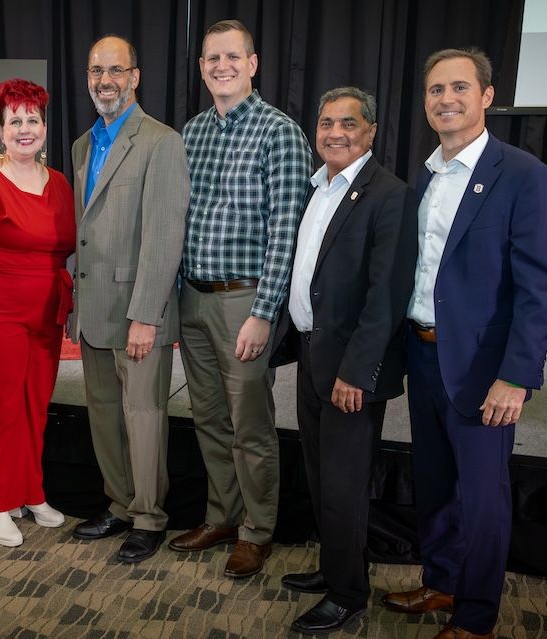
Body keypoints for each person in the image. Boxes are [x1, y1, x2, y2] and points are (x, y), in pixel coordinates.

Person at [381, 48, 547, 639]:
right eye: (435, 90)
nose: (446, 99)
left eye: (459, 87)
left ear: (487, 96)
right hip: (424, 352)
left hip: (485, 370)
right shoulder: (429, 175)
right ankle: (442, 582)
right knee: (434, 483)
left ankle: (478, 617)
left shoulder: (525, 177)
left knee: (483, 501)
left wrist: (517, 376)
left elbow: (539, 290)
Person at [270, 87, 416, 634]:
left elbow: (386, 297)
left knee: (344, 483)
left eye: (347, 123)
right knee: (319, 473)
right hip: (312, 357)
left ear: (370, 132)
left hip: (350, 370)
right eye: (326, 121)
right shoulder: (321, 188)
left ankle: (348, 594)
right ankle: (337, 569)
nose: (334, 132)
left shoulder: (389, 195)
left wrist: (357, 372)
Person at [170, 19, 312, 579]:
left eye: (232, 57)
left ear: (253, 64)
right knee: (207, 417)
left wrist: (263, 313)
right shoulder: (193, 131)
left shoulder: (280, 132)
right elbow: (181, 219)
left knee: (249, 424)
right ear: (201, 67)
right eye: (211, 58)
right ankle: (221, 515)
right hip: (194, 299)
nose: (221, 66)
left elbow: (287, 231)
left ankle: (257, 530)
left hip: (244, 303)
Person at [68, 36, 189, 563]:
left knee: (143, 416)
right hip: (92, 310)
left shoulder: (161, 141)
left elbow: (164, 236)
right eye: (96, 70)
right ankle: (118, 504)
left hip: (137, 312)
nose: (105, 80)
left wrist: (146, 315)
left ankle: (149, 516)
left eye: (116, 70)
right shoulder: (80, 145)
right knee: (104, 415)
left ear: (135, 77)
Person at [0, 78, 76, 547]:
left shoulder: (59, 183)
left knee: (33, 408)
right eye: (15, 121)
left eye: (33, 120)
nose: (25, 129)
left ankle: (30, 492)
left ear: (44, 127)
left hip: (45, 315)